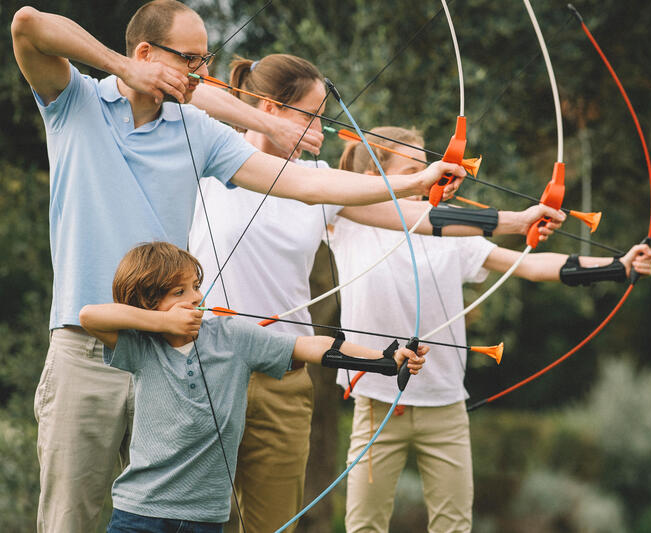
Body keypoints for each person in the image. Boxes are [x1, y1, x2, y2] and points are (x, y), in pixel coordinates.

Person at [10, 1, 465, 531]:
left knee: (168, 519)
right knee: (72, 519)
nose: (203, 76)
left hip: (169, 356)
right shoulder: (74, 101)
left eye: (206, 61)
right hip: (85, 350)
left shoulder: (197, 130)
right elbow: (27, 23)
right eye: (192, 61)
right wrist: (122, 67)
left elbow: (307, 183)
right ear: (145, 53)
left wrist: (412, 182)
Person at [187, 52, 569, 532]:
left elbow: (416, 217)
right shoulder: (208, 146)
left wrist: (515, 220)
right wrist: (257, 120)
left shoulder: (320, 180)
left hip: (283, 370)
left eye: (324, 119)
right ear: (270, 107)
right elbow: (184, 89)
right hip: (205, 363)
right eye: (310, 116)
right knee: (188, 520)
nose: (320, 132)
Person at [330, 127, 651, 533]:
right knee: (363, 526)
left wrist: (617, 266)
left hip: (445, 406)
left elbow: (531, 267)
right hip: (377, 401)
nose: (431, 178)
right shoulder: (345, 220)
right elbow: (313, 184)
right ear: (373, 180)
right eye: (415, 170)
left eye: (428, 168)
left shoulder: (452, 234)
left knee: (454, 527)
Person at [78, 241, 427, 532]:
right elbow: (89, 316)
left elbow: (310, 346)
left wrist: (384, 359)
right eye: (179, 292)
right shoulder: (141, 347)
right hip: (140, 512)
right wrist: (163, 322)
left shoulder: (231, 337)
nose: (195, 297)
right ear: (148, 303)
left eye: (195, 287)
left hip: (205, 518)